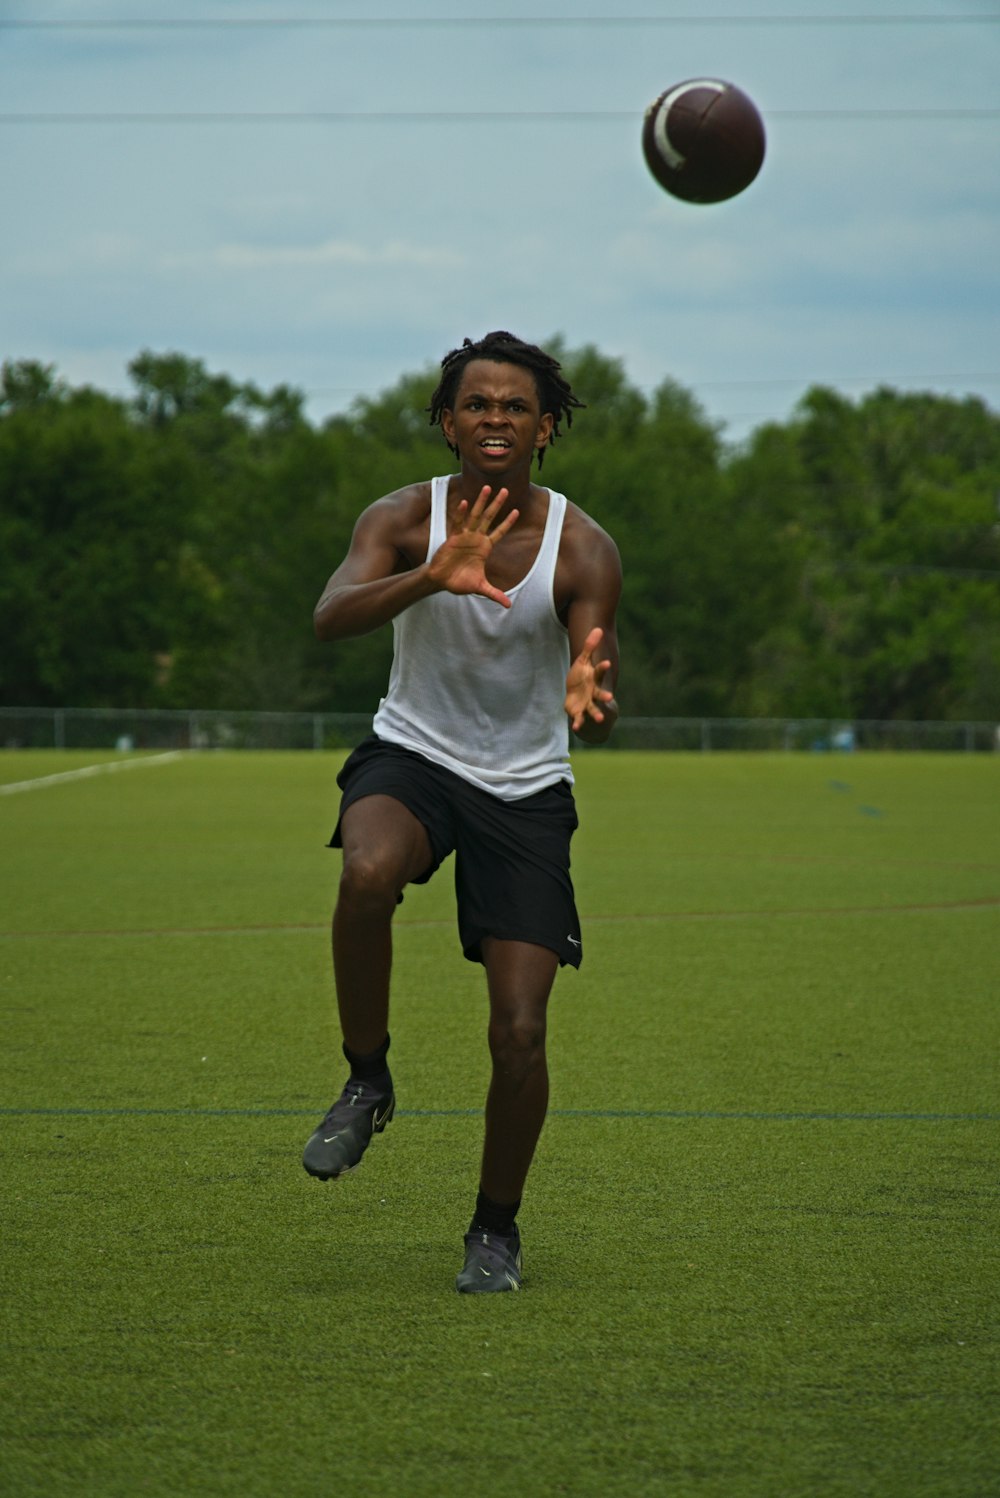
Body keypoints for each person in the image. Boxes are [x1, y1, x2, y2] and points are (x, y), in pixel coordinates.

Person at [302, 330, 622, 1293]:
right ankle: (368, 1076)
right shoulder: (403, 517)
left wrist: (586, 694)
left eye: (515, 406)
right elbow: (329, 618)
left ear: (546, 428)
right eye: (477, 405)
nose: (495, 419)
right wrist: (429, 576)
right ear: (448, 424)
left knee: (520, 1033)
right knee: (366, 872)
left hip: (525, 790)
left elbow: (596, 697)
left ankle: (495, 1231)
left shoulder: (586, 548)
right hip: (416, 756)